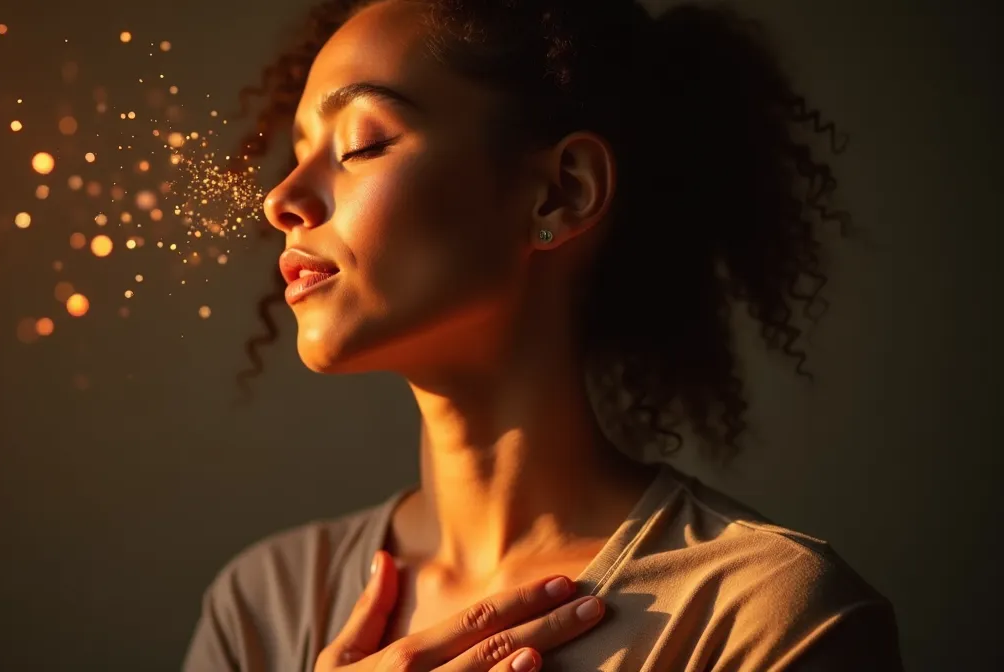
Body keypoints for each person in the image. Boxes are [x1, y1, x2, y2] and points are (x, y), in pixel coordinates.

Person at [185, 0, 904, 669]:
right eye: (299, 150)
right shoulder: (263, 606)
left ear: (562, 190)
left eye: (362, 144)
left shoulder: (767, 619)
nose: (281, 199)